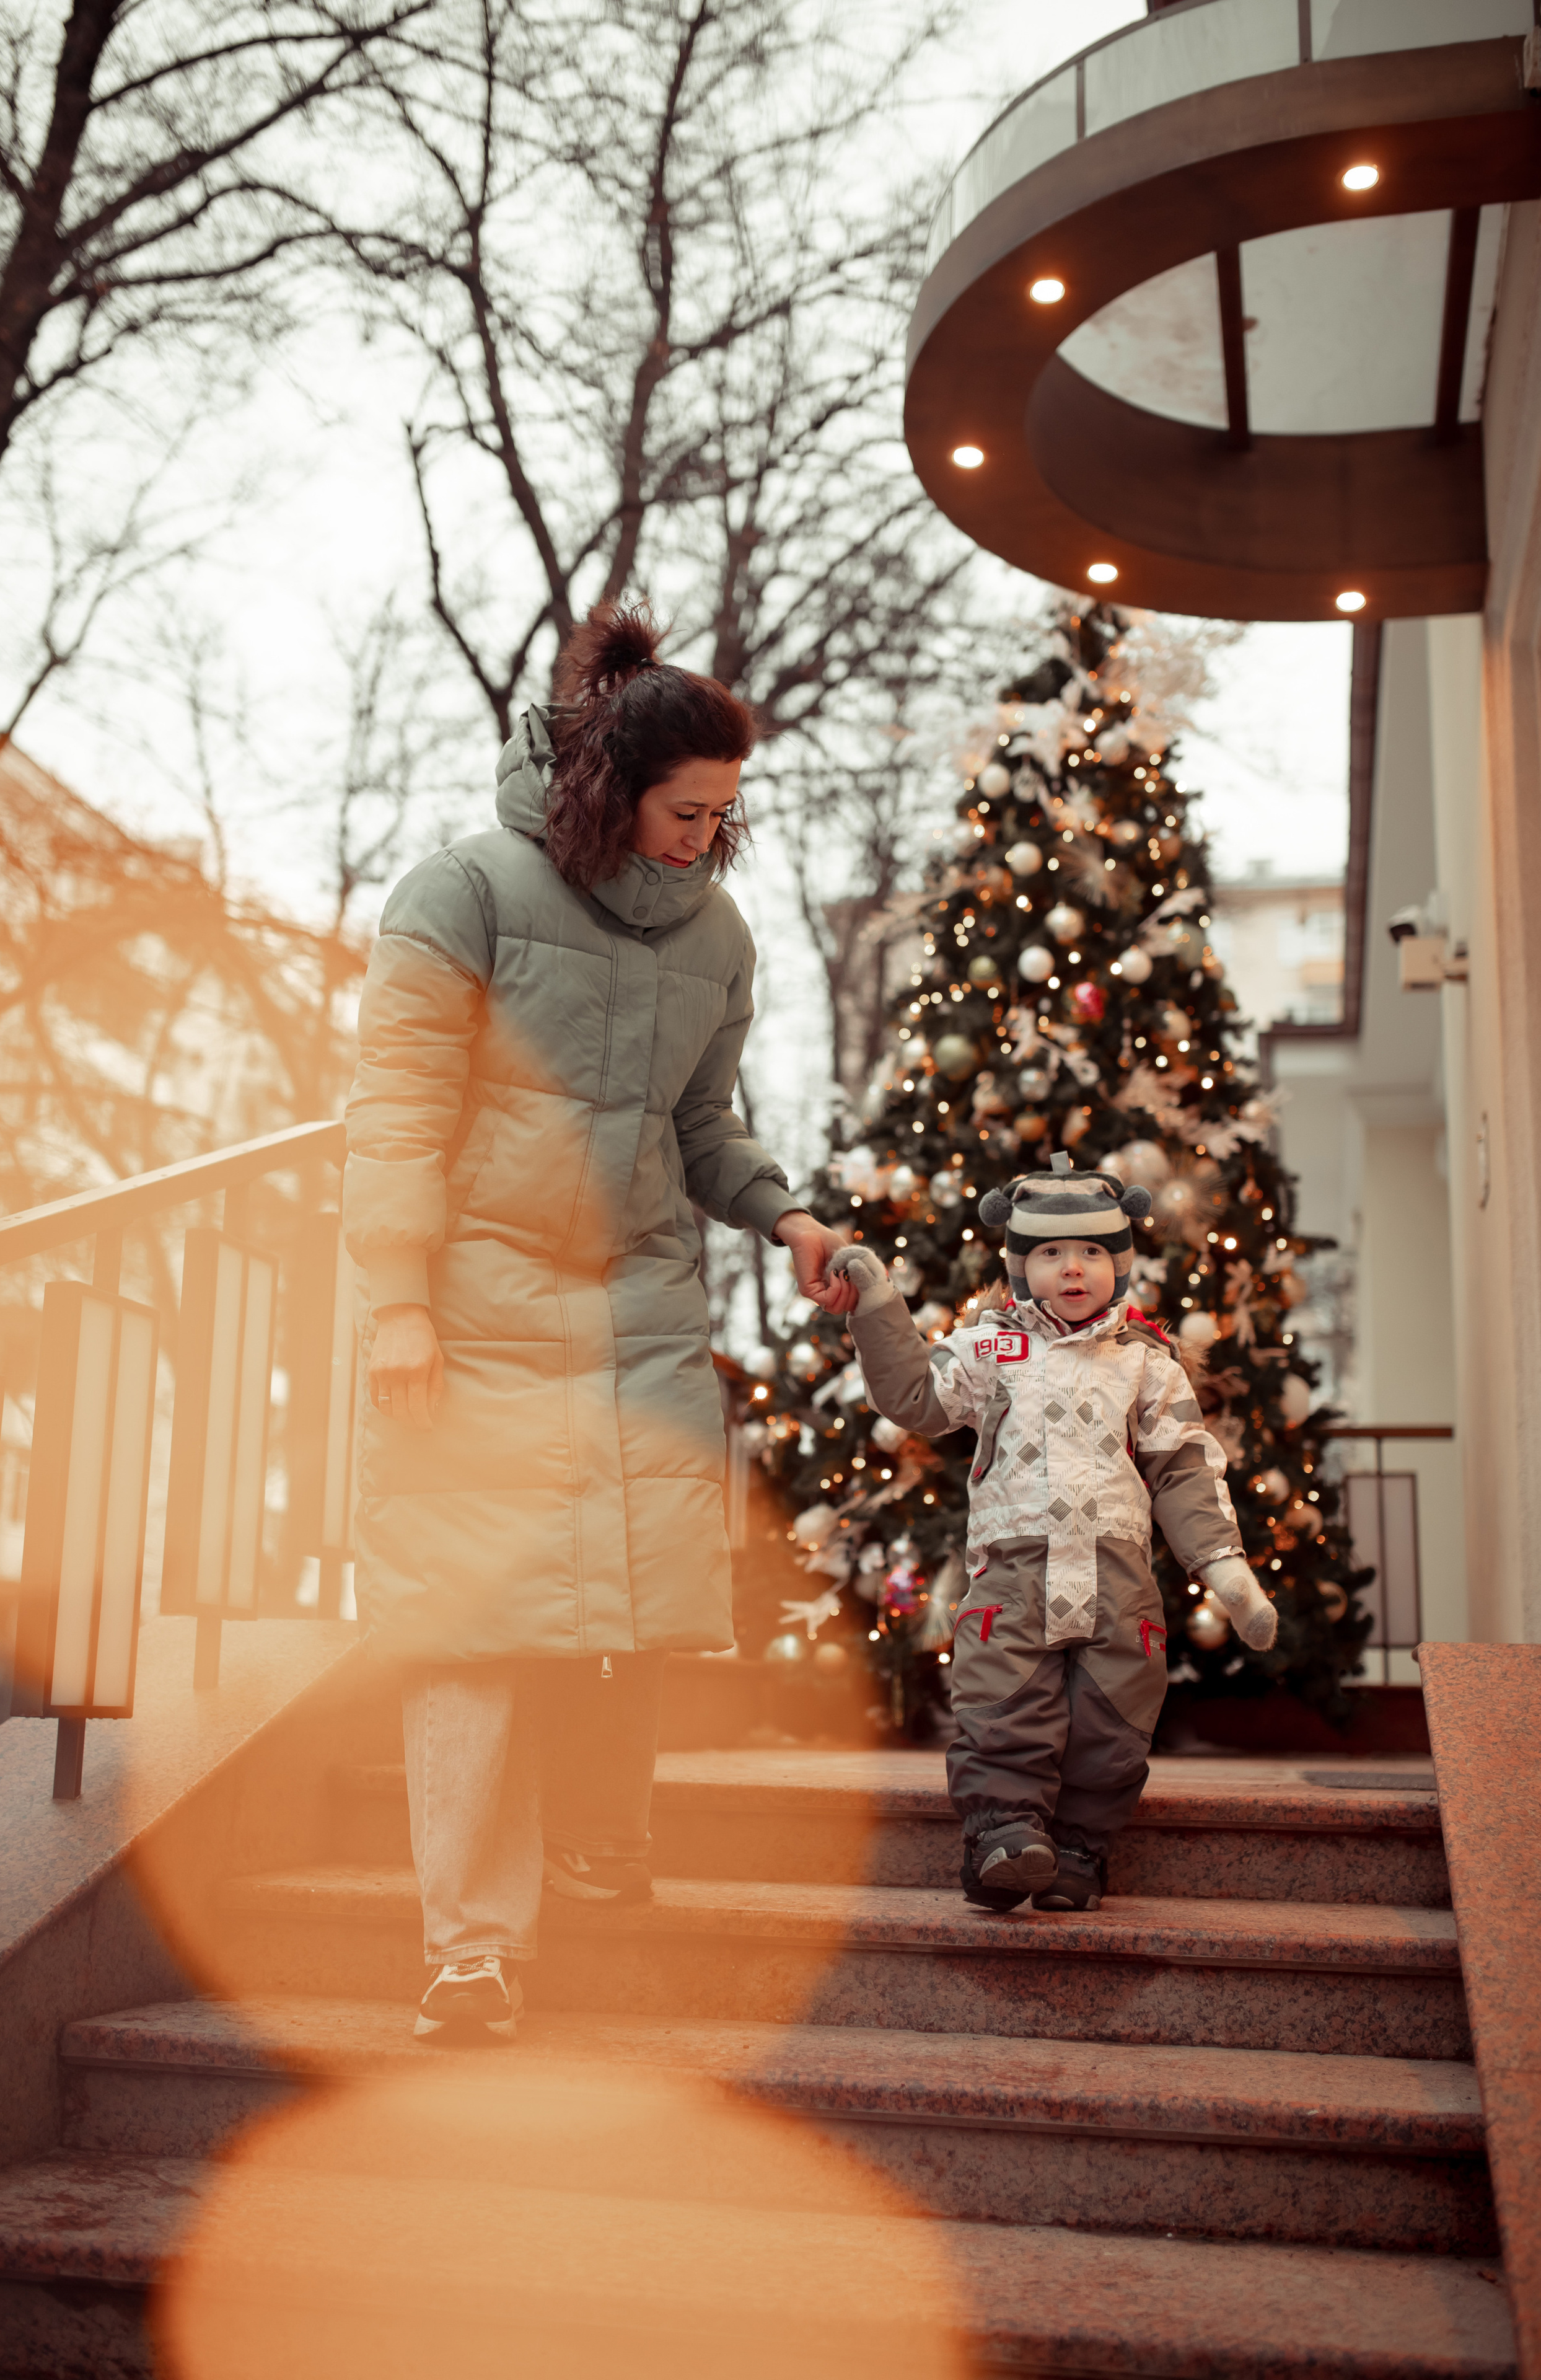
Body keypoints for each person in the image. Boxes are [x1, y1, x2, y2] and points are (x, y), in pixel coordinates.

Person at [343, 601, 846, 2040]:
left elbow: (697, 1120)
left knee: (612, 1617)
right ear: (606, 789)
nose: (706, 836)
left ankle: (594, 1847)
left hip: (633, 1315)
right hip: (470, 1316)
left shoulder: (720, 931)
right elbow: (396, 1117)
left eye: (724, 815)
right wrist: (396, 1302)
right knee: (473, 1631)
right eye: (687, 810)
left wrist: (786, 1214)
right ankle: (472, 1952)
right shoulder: (461, 895)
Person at [825, 1153, 1276, 1913]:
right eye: (1050, 1254)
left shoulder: (1147, 1364)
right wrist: (876, 1304)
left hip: (1117, 1581)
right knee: (1002, 1700)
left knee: (1117, 1714)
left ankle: (1078, 1850)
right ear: (1019, 1265)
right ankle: (1004, 1837)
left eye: (1093, 1252)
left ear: (1120, 1264)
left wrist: (1227, 1572)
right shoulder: (988, 1348)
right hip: (1011, 1574)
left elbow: (1184, 1470)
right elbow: (914, 1398)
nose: (1073, 1269)